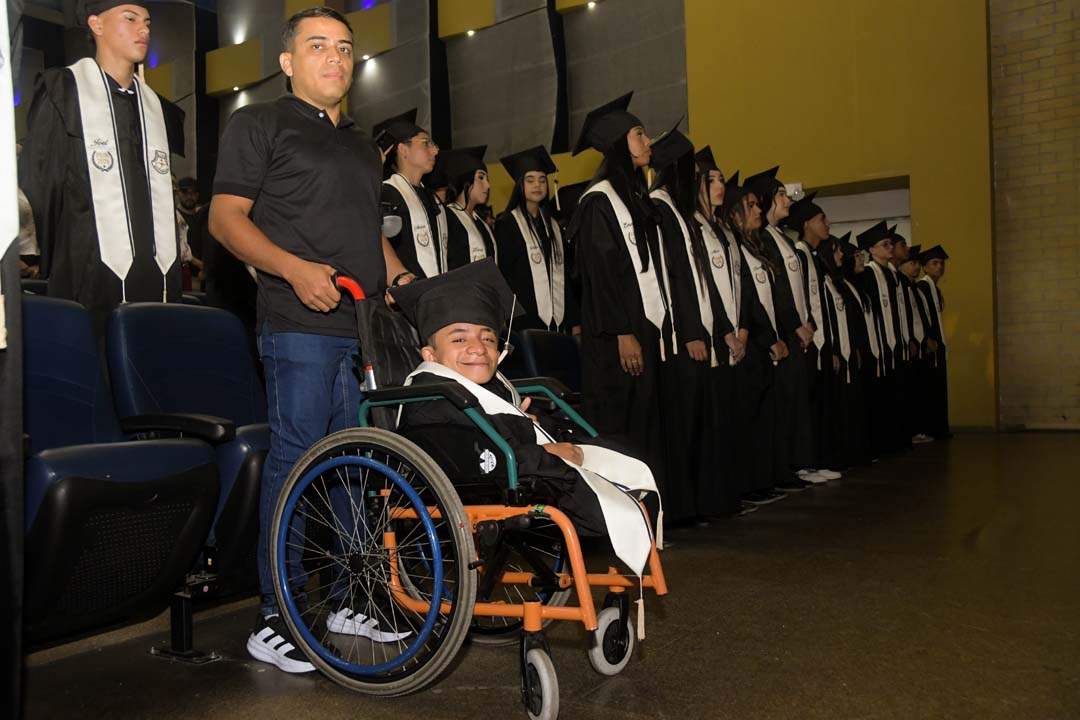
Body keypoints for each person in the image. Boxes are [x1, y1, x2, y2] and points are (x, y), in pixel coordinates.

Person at [208, 6, 415, 674]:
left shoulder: (359, 145)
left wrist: (410, 285)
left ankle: (350, 599)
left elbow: (369, 236)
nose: (334, 57)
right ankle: (279, 616)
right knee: (297, 464)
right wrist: (293, 270)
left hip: (360, 332)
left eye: (345, 47)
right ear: (288, 61)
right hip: (297, 326)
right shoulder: (259, 124)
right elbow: (223, 218)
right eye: (318, 46)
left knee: (356, 467)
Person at [392, 260, 659, 577]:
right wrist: (542, 447)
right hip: (485, 469)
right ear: (430, 356)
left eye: (488, 338)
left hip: (513, 459)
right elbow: (473, 450)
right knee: (578, 472)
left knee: (618, 451)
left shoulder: (489, 388)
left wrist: (531, 424)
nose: (478, 348)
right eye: (459, 339)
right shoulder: (431, 394)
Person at [18, 0, 184, 335]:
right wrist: (61, 255)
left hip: (158, 276)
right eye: (130, 18)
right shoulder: (62, 90)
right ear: (96, 25)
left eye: (148, 22)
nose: (144, 30)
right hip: (86, 271)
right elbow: (40, 185)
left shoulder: (157, 108)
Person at [567, 92, 671, 497]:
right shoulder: (598, 203)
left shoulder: (631, 199)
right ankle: (621, 506)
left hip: (639, 325)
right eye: (639, 135)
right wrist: (623, 331)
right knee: (621, 422)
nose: (648, 143)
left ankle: (650, 506)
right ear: (617, 144)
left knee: (643, 419)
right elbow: (599, 276)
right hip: (614, 337)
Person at [649, 127, 734, 521]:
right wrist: (690, 333)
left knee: (703, 424)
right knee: (684, 426)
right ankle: (683, 508)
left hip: (698, 330)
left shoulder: (679, 212)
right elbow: (673, 278)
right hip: (681, 336)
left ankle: (703, 502)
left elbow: (699, 277)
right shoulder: (659, 208)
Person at [743, 167, 816, 490]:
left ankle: (795, 464)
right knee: (782, 402)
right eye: (782, 195)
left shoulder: (781, 238)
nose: (787, 200)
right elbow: (779, 292)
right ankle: (787, 466)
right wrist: (793, 325)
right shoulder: (761, 239)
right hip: (780, 332)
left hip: (792, 329)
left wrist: (807, 321)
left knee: (794, 400)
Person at [786, 192, 842, 480]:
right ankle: (805, 464)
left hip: (820, 340)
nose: (828, 223)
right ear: (807, 223)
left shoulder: (814, 257)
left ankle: (818, 459)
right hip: (806, 340)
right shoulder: (798, 253)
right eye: (822, 218)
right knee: (807, 403)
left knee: (820, 401)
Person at [495, 146, 579, 334]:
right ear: (519, 184)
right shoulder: (507, 224)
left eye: (542, 180)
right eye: (530, 180)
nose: (537, 185)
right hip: (523, 321)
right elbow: (504, 276)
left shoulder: (553, 226)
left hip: (558, 320)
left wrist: (574, 320)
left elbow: (564, 275)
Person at [819, 234, 872, 467]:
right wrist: (832, 349)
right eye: (837, 251)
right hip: (834, 351)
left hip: (849, 351)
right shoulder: (823, 282)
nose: (842, 255)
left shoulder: (840, 283)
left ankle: (853, 451)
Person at [856, 220, 908, 454]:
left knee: (897, 392)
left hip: (895, 342)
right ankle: (881, 443)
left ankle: (897, 439)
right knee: (880, 395)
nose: (890, 248)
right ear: (872, 250)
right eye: (884, 244)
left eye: (890, 244)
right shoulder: (867, 275)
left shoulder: (893, 275)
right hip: (876, 344)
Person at [376, 108, 447, 279]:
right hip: (403, 294)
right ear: (403, 150)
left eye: (433, 144)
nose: (435, 151)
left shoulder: (434, 199)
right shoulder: (385, 193)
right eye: (426, 143)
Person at [915, 245, 951, 440]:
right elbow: (921, 316)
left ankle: (940, 428)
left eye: (941, 263)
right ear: (925, 267)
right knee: (930, 387)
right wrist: (928, 337)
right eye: (934, 263)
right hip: (929, 344)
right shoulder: (922, 287)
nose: (939, 267)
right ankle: (929, 428)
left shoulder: (935, 289)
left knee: (939, 386)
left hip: (938, 342)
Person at [441, 146, 496, 269]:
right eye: (481, 178)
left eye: (487, 179)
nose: (487, 185)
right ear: (465, 178)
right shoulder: (446, 217)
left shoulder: (481, 223)